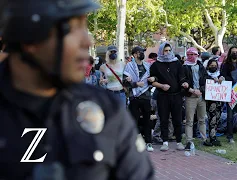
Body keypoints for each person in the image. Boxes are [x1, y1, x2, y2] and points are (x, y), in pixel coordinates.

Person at [0, 0, 154, 179]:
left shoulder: (107, 111)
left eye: (85, 27)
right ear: (29, 38)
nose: (87, 41)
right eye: (72, 28)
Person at [150, 42, 189, 151]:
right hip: (162, 96)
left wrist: (184, 83)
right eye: (165, 50)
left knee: (177, 119)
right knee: (163, 119)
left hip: (176, 95)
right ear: (161, 51)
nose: (167, 53)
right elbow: (152, 81)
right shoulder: (156, 65)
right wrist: (161, 86)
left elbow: (182, 77)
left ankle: (178, 141)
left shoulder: (176, 63)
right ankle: (165, 142)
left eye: (169, 50)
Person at [123, 46, 154, 152]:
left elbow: (154, 78)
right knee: (134, 121)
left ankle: (148, 142)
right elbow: (125, 82)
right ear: (135, 54)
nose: (142, 54)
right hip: (134, 97)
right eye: (140, 52)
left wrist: (153, 79)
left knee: (147, 120)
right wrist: (135, 83)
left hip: (146, 96)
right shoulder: (129, 66)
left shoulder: (148, 65)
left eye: (143, 52)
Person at [182, 47, 209, 150]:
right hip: (190, 96)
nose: (192, 57)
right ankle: (189, 141)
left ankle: (204, 139)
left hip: (201, 95)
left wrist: (201, 90)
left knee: (202, 119)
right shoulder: (184, 67)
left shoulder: (200, 65)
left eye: (194, 54)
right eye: (190, 54)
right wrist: (192, 90)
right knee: (189, 120)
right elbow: (183, 81)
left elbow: (205, 78)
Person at [203, 59, 225, 146]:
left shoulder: (220, 74)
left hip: (219, 100)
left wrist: (222, 78)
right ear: (208, 66)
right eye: (211, 65)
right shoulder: (205, 74)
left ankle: (214, 135)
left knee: (218, 118)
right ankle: (212, 138)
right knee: (212, 119)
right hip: (210, 101)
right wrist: (212, 80)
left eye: (215, 65)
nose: (213, 67)